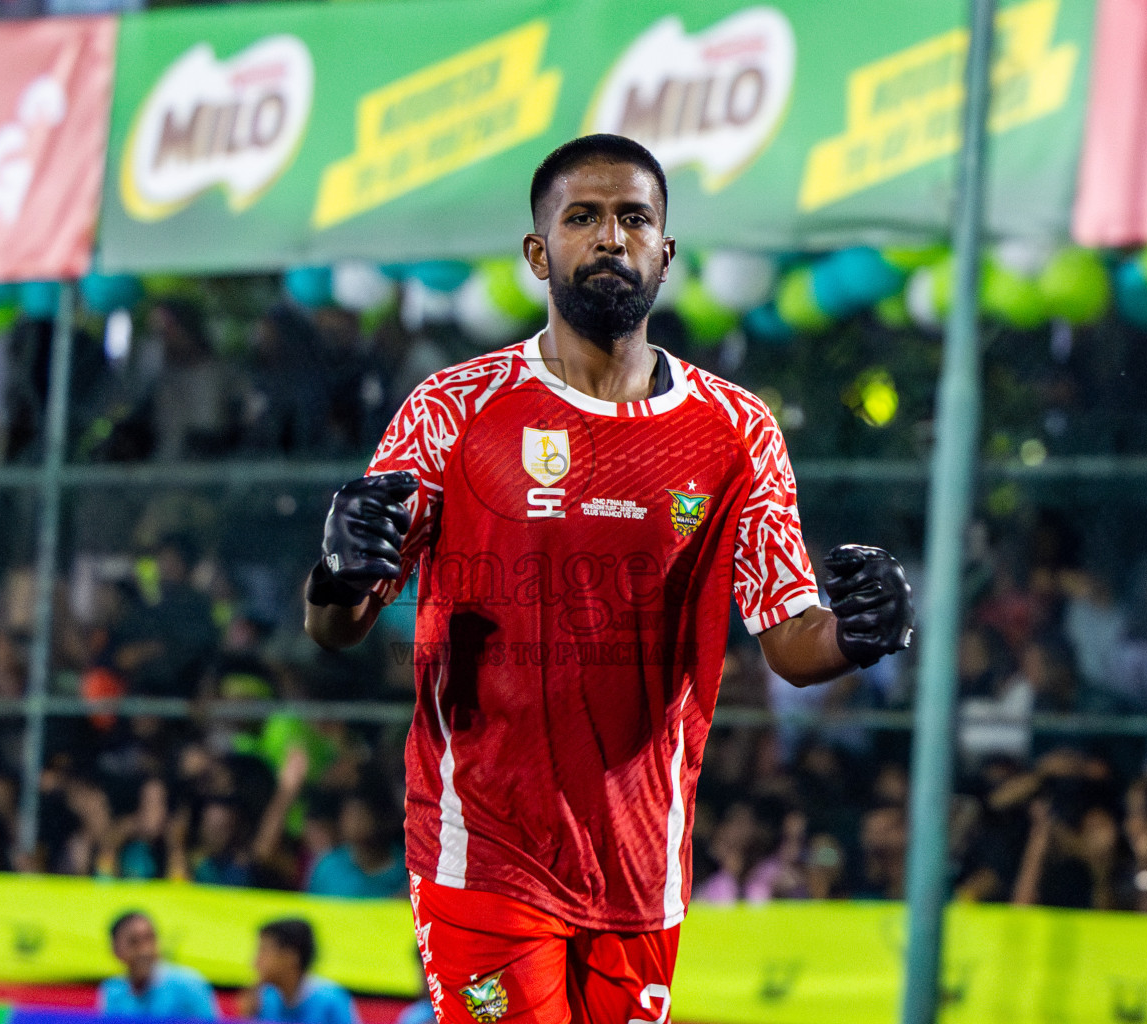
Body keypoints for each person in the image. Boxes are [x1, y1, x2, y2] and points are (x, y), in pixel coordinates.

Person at [303, 134, 914, 1024]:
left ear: (665, 250)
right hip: (484, 848)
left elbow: (790, 638)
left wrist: (858, 635)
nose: (609, 238)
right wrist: (335, 569)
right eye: (582, 218)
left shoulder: (734, 430)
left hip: (641, 863)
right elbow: (338, 623)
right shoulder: (451, 411)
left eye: (634, 218)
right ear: (537, 251)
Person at [97, 911, 218, 1020]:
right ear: (115, 949)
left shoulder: (190, 985)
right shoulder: (112, 992)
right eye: (134, 942)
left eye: (150, 938)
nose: (145, 950)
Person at [238, 918, 360, 1024]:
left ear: (291, 956)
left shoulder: (331, 1001)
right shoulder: (265, 1000)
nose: (254, 962)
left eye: (264, 951)